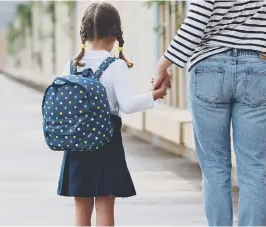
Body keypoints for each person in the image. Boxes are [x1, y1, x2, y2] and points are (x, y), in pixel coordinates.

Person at [153, 1, 266, 226]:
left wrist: (163, 64)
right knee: (254, 169)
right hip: (257, 68)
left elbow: (196, 22)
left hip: (209, 68)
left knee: (214, 168)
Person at [56, 2, 170, 226]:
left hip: (76, 143)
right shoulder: (114, 66)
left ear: (85, 32)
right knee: (105, 203)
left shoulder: (70, 66)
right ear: (115, 34)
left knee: (81, 206)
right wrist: (154, 95)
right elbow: (127, 105)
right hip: (106, 142)